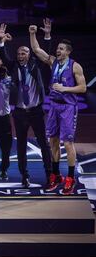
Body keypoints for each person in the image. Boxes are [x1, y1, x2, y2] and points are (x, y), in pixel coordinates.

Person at [30, 25, 87, 195]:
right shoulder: (53, 61)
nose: (58, 50)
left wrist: (65, 89)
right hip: (54, 106)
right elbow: (36, 49)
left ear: (68, 52)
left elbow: (83, 87)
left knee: (68, 143)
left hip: (68, 107)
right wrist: (32, 33)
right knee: (52, 141)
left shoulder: (75, 66)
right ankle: (56, 175)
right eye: (58, 48)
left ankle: (70, 177)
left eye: (61, 49)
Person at [0, 21, 53, 187]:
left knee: (43, 143)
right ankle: (24, 176)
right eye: (19, 53)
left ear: (29, 55)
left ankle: (49, 173)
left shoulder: (36, 65)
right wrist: (1, 41)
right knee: (21, 145)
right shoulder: (13, 65)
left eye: (24, 53)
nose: (21, 55)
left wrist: (47, 36)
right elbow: (4, 56)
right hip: (20, 112)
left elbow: (46, 54)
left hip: (36, 111)